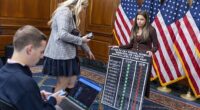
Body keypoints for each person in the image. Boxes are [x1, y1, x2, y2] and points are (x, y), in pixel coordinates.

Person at [0, 25, 65, 110]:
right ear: (29, 49)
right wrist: (53, 100)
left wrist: (35, 95)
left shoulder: (3, 71)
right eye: (41, 52)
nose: (42, 56)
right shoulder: (25, 83)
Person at [42, 0, 95, 93]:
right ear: (79, 4)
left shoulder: (71, 13)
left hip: (69, 55)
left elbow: (76, 34)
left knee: (71, 82)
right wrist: (82, 40)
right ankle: (54, 104)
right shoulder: (64, 12)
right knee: (62, 84)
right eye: (84, 7)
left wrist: (87, 50)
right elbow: (63, 34)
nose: (83, 10)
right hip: (61, 55)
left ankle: (65, 102)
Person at [112, 11, 158, 97]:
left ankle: (138, 99)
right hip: (132, 56)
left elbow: (156, 46)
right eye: (138, 19)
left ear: (146, 20)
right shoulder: (134, 29)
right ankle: (129, 96)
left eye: (142, 19)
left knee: (140, 80)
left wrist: (151, 51)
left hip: (144, 57)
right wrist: (119, 47)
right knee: (131, 78)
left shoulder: (151, 29)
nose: (139, 21)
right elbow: (130, 45)